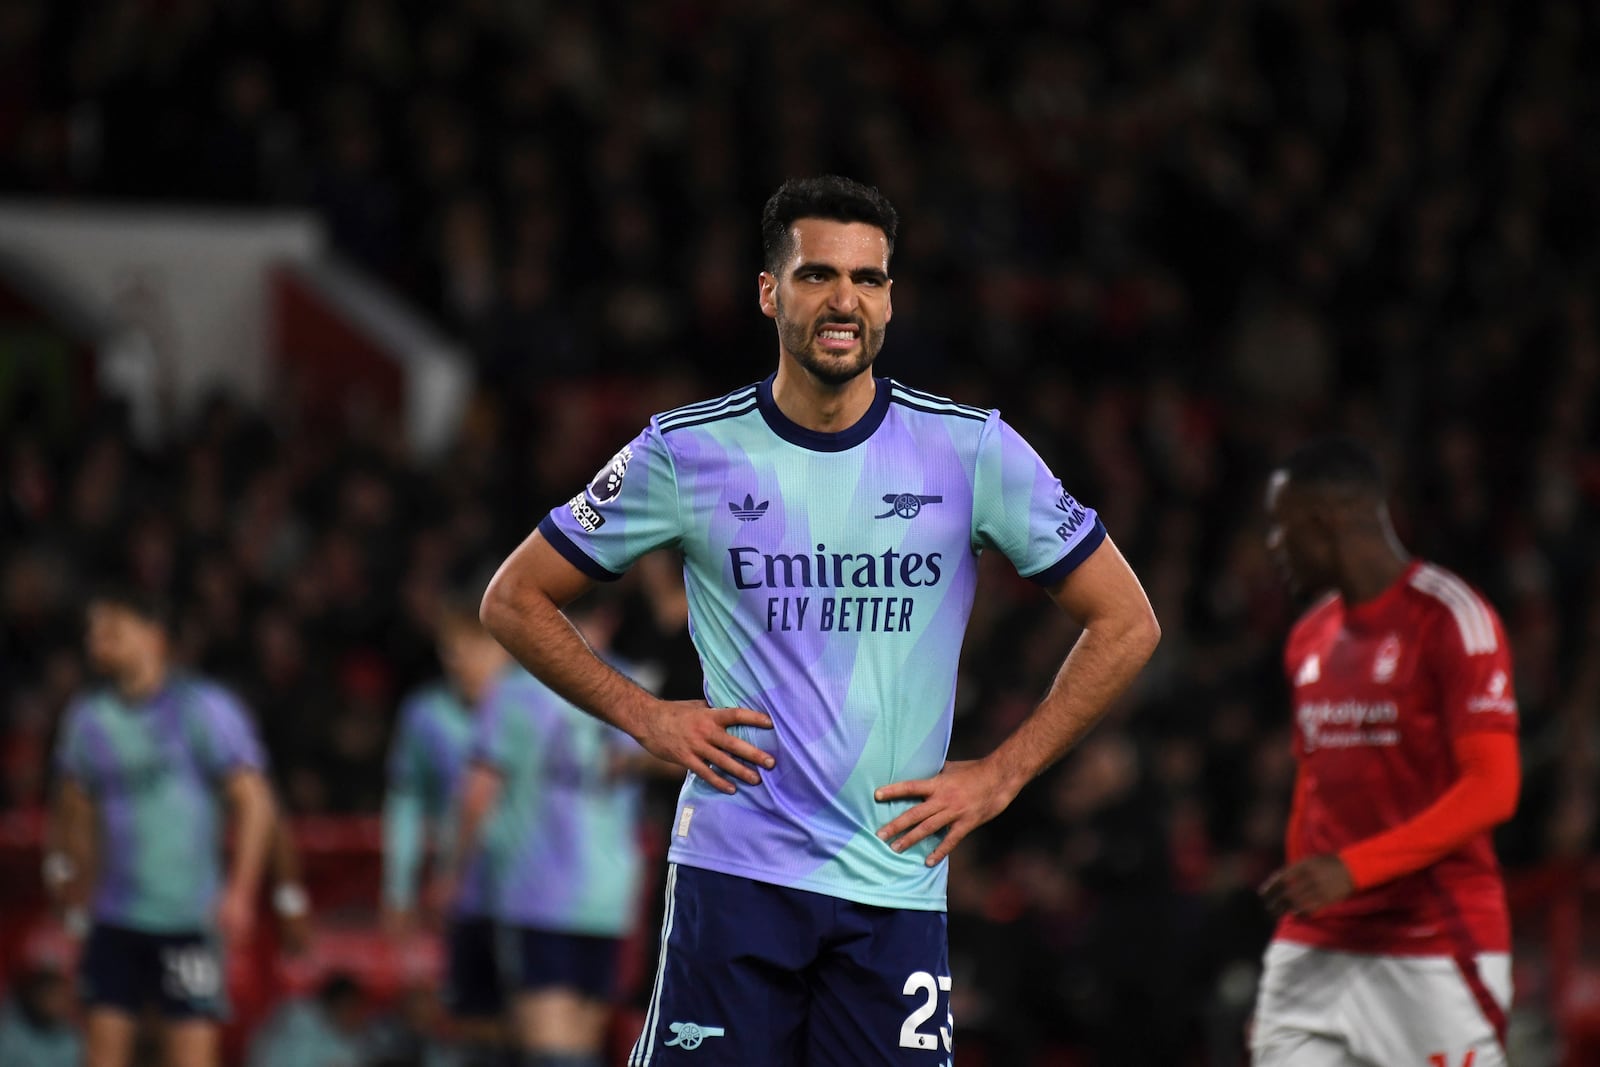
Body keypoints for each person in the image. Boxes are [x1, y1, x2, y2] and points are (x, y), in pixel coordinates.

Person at [479, 174, 1160, 1066]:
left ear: (890, 297)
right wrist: (646, 715)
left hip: (894, 886)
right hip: (735, 877)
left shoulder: (971, 450)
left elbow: (1126, 620)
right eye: (817, 275)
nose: (845, 299)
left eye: (869, 279)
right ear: (769, 291)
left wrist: (1002, 775)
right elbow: (513, 599)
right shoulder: (688, 452)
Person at [1253, 438, 1522, 1067]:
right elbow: (1313, 780)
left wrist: (1351, 868)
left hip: (1433, 946)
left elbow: (1493, 787)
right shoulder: (1307, 639)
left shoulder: (1452, 619)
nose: (1273, 546)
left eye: (1279, 526)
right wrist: (1307, 878)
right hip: (1317, 948)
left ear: (1325, 521)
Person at [45, 583, 275, 1067]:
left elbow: (255, 802)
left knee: (191, 1055)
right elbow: (73, 810)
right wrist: (70, 877)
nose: (97, 641)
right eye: (93, 632)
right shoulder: (88, 720)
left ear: (153, 637)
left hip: (187, 918)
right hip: (114, 918)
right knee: (103, 1054)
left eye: (112, 629)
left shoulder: (202, 709)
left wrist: (240, 891)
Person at [443, 595, 662, 1067]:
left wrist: (451, 872)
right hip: (611, 895)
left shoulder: (517, 689)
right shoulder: (640, 686)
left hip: (538, 894)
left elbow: (479, 793)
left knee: (549, 1046)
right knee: (582, 1039)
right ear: (609, 616)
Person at [382, 597, 508, 1061]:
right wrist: (397, 889)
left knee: (530, 1024)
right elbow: (406, 800)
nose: (463, 662)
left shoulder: (537, 706)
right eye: (452, 650)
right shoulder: (424, 715)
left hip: (530, 895)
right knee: (465, 1024)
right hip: (462, 897)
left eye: (476, 647)